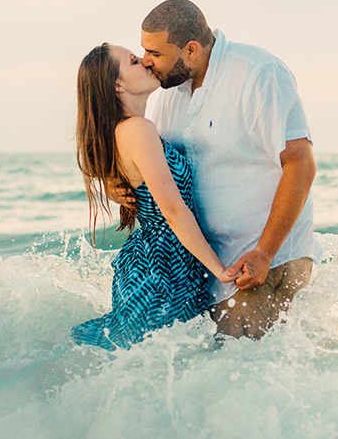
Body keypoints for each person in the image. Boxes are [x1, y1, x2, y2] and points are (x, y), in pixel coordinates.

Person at [138, 0, 319, 339]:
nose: (146, 62)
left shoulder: (258, 73)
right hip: (210, 265)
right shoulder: (167, 93)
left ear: (191, 49)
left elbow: (301, 164)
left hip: (264, 259)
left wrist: (265, 251)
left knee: (250, 375)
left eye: (156, 53)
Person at [71, 43, 237, 350]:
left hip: (156, 261)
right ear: (118, 85)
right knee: (170, 367)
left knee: (153, 368)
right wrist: (220, 270)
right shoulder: (138, 130)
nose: (146, 63)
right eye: (133, 61)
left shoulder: (123, 132)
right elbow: (173, 210)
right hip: (164, 266)